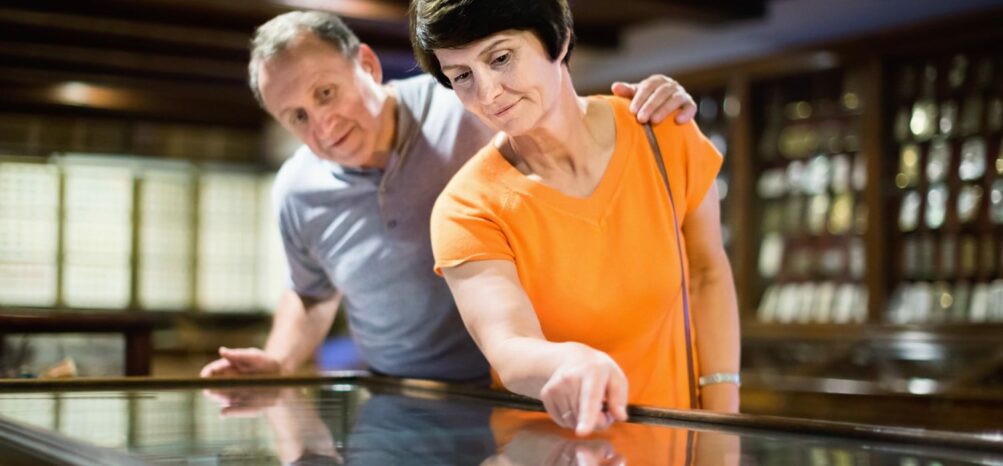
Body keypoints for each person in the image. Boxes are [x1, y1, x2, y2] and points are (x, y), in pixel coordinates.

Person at [199, 10, 699, 385]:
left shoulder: (470, 107)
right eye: (297, 117)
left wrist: (649, 107)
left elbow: (554, 114)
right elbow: (310, 293)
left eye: (326, 94)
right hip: (398, 392)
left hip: (521, 378)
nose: (322, 126)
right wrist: (280, 360)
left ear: (368, 66)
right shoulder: (296, 190)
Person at [410, 0, 740, 435]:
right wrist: (568, 360)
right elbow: (508, 346)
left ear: (559, 38)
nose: (487, 93)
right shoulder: (467, 207)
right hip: (550, 449)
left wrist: (721, 423)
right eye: (462, 76)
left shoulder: (662, 132)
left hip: (676, 441)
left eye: (501, 58)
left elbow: (706, 274)